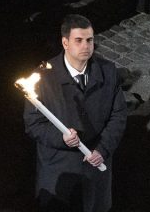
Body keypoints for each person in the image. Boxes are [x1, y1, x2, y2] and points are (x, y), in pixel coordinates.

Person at [24, 15, 127, 212]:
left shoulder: (107, 71)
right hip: (59, 168)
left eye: (89, 40)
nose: (86, 46)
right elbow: (33, 124)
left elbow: (118, 115)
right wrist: (61, 138)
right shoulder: (43, 78)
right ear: (65, 42)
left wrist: (102, 149)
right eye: (78, 40)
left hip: (95, 164)